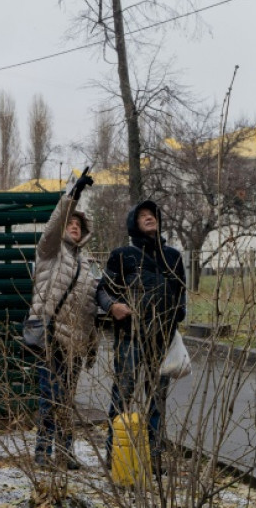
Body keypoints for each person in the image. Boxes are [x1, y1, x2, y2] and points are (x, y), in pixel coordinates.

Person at [96, 200, 186, 467]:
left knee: (157, 400)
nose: (149, 218)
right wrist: (112, 306)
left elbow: (181, 293)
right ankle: (115, 454)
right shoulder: (122, 255)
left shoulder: (173, 256)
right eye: (143, 216)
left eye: (153, 215)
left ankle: (155, 458)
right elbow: (102, 290)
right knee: (122, 394)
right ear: (133, 222)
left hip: (163, 339)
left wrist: (177, 314)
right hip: (130, 338)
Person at [26, 170, 99, 469]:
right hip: (51, 337)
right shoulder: (49, 253)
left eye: (78, 226)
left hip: (75, 345)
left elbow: (90, 308)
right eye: (70, 224)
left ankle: (65, 454)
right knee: (50, 398)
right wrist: (73, 195)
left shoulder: (87, 266)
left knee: (67, 402)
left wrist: (91, 346)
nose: (73, 228)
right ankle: (43, 453)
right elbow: (53, 226)